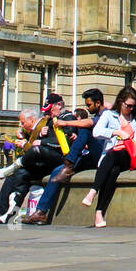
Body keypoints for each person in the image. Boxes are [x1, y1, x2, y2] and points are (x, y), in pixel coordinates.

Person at [23, 89, 104, 225]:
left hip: (103, 155)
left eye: (89, 105)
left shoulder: (106, 114)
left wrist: (66, 123)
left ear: (98, 103)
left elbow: (89, 123)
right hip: (91, 154)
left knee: (85, 129)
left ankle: (69, 163)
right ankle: (41, 212)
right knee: (58, 171)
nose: (87, 108)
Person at [78, 86, 136, 228]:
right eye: (128, 106)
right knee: (112, 171)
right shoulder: (109, 115)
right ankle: (99, 213)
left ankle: (93, 191)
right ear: (120, 102)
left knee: (114, 153)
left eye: (134, 106)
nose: (131, 109)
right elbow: (96, 132)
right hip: (112, 156)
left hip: (131, 155)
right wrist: (115, 132)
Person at [0, 98, 67, 224]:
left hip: (47, 164)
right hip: (40, 162)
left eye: (23, 123)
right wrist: (24, 137)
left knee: (18, 175)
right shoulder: (41, 126)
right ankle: (3, 211)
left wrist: (24, 145)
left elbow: (38, 148)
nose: (21, 126)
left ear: (31, 120)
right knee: (14, 177)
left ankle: (4, 210)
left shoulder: (47, 124)